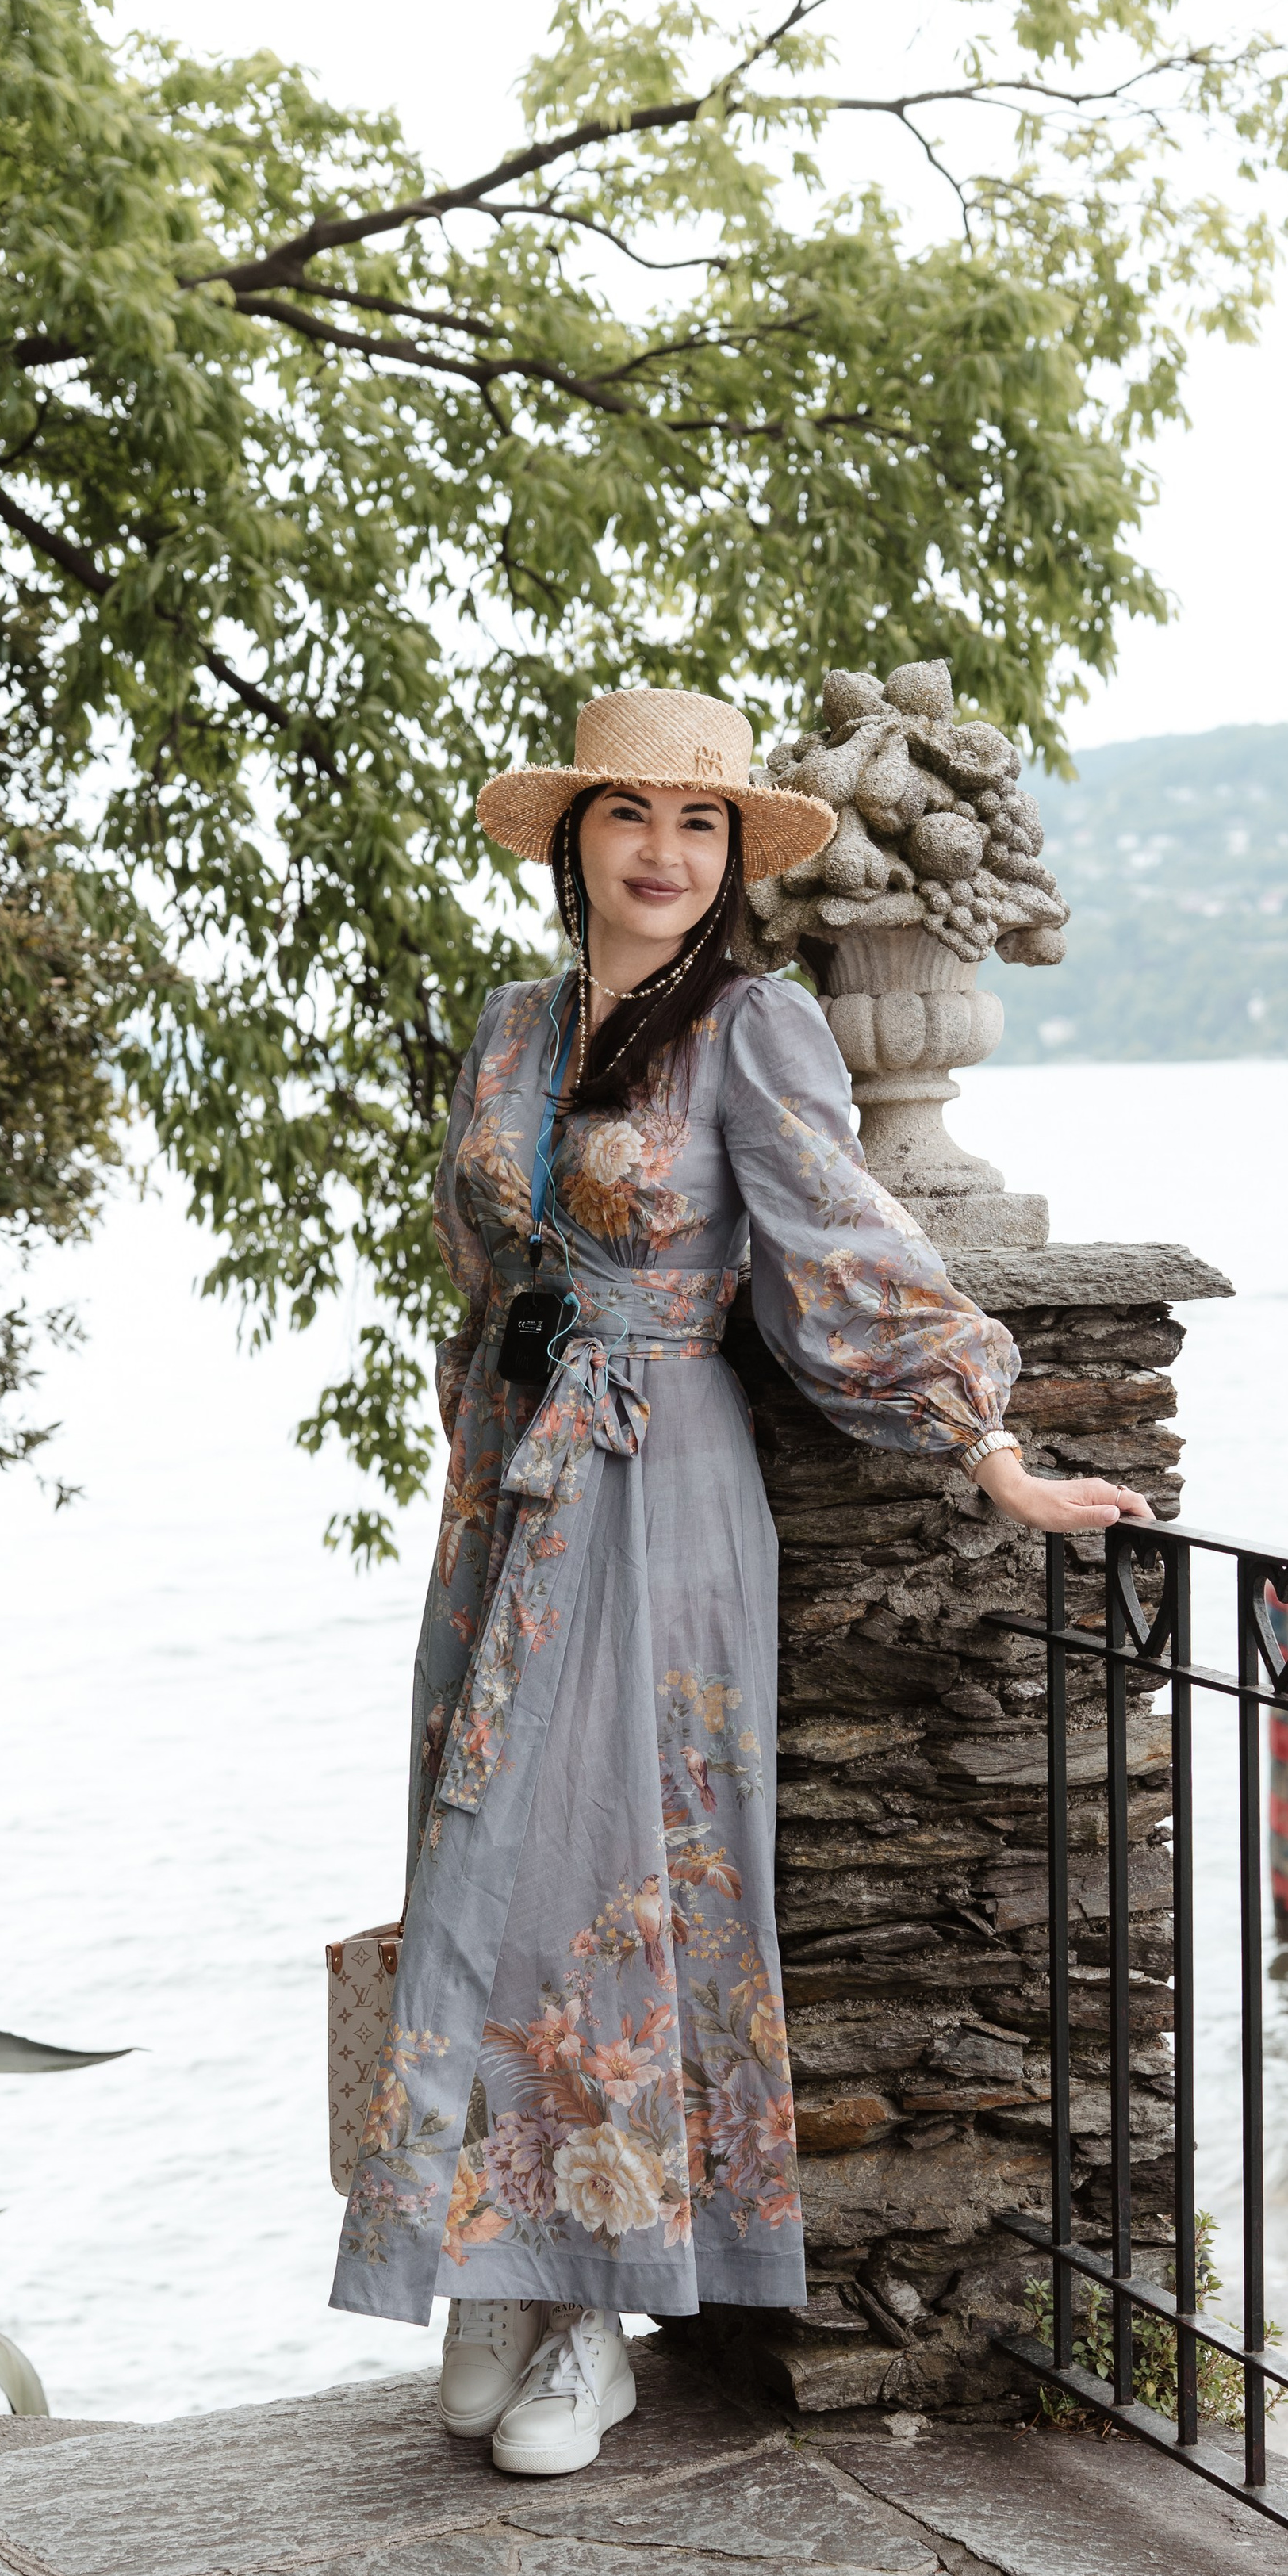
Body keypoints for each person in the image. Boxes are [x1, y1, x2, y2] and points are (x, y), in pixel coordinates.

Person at [329, 686, 1151, 2475]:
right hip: (511, 1482)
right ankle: (497, 2257)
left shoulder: (754, 1032)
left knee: (605, 1870)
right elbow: (485, 1268)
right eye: (631, 817)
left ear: (729, 861)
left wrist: (985, 1447)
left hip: (658, 1478)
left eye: (699, 828)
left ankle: (591, 2316)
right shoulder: (509, 1032)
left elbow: (846, 1249)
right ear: (575, 840)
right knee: (473, 1852)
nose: (664, 853)